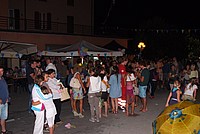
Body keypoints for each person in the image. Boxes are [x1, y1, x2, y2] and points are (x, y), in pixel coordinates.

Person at [0, 66, 10, 134]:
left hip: (5, 101)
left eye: (2, 71)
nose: (1, 72)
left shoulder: (2, 79)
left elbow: (5, 90)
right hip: (0, 102)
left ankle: (3, 131)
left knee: (3, 117)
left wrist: (8, 98)